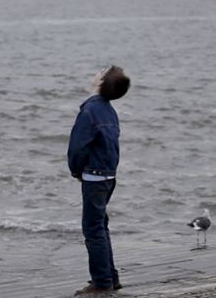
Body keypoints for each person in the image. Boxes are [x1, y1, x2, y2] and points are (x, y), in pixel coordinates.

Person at [67, 65, 131, 295]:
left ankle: (102, 281)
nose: (96, 72)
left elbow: (77, 147)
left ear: (100, 81)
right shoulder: (108, 110)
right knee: (100, 226)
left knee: (93, 229)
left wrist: (75, 170)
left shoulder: (90, 111)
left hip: (94, 177)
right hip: (108, 175)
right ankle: (111, 277)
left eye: (101, 71)